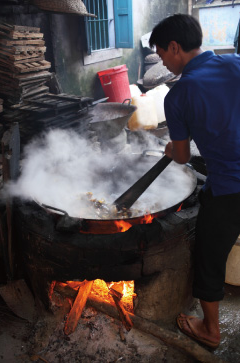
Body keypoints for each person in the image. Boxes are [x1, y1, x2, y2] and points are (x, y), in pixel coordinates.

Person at [149, 14, 240, 349]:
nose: (162, 62)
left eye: (161, 55)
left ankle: (211, 331)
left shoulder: (178, 95)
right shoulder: (236, 64)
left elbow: (184, 156)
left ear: (175, 48)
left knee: (209, 258)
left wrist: (171, 148)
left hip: (231, 188)